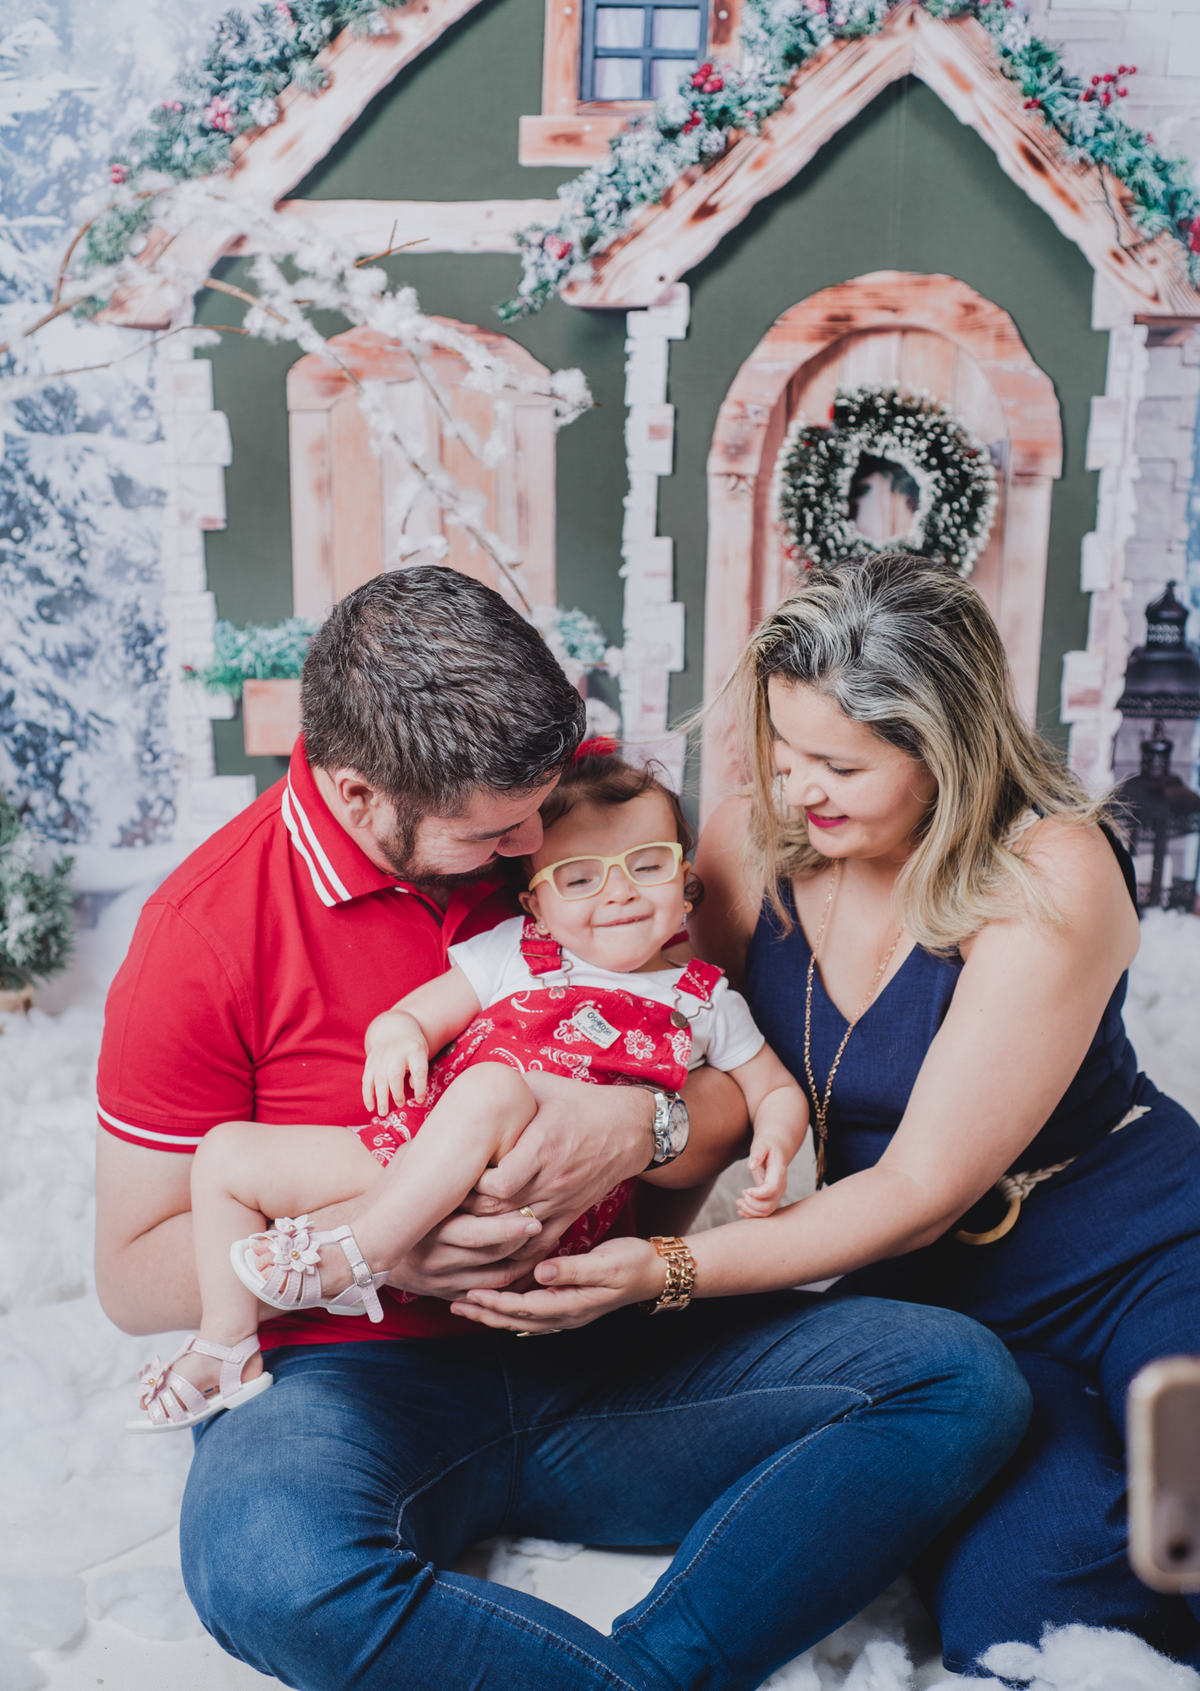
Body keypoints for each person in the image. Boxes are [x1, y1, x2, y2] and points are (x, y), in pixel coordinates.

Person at [95, 564, 1030, 1691]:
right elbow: (134, 1274)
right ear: (359, 796)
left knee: (959, 1379)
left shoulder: (576, 810)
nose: (537, 843)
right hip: (350, 1382)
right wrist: (394, 1233)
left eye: (542, 810)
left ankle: (660, 1668)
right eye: (496, 832)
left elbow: (721, 1077)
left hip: (605, 1339)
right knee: (268, 1571)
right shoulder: (201, 933)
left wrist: (640, 1125)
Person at [461, 554, 1200, 1674]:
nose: (799, 788)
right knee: (1024, 1617)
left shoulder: (1051, 865)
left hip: (1140, 1253)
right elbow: (679, 1064)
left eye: (841, 764)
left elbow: (917, 1189)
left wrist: (664, 1270)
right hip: (947, 1316)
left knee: (1187, 1497)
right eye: (783, 749)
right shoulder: (747, 846)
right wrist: (577, 1241)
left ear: (946, 747)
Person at [128, 747, 810, 1429]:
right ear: (535, 904)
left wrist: (776, 1142)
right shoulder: (517, 951)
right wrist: (396, 1038)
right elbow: (415, 1016)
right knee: (227, 1155)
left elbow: (772, 1089)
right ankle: (226, 1344)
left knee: (495, 1087)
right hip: (418, 1152)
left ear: (687, 881)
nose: (620, 892)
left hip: (542, 1206)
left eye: (649, 865)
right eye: (579, 878)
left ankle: (364, 1250)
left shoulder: (702, 999)